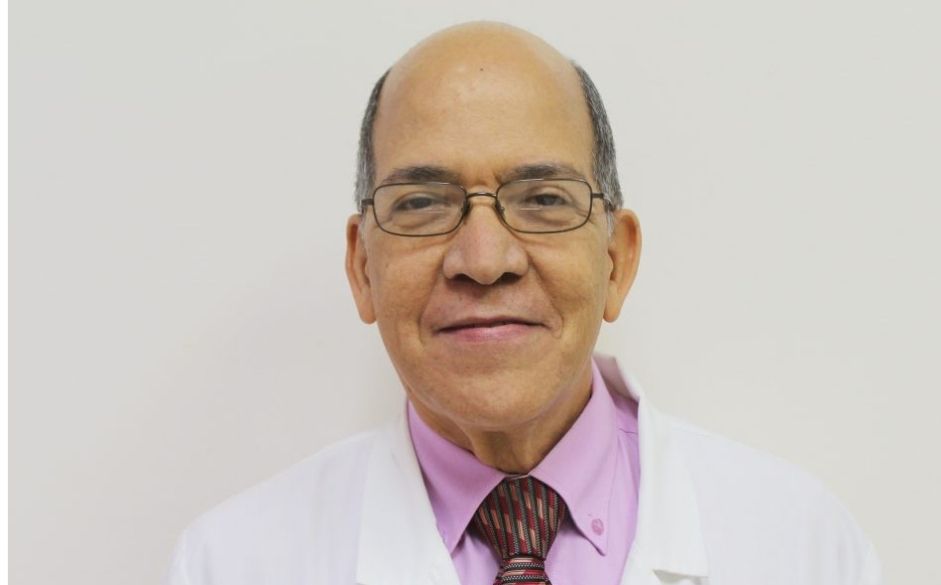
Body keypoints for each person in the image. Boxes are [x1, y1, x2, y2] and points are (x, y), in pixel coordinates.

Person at [165, 21, 882, 585]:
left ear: (617, 259)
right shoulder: (232, 564)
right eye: (421, 203)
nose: (484, 260)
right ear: (361, 269)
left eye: (543, 200)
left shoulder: (801, 547)